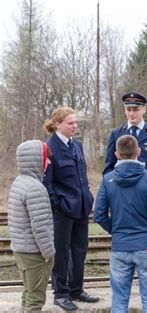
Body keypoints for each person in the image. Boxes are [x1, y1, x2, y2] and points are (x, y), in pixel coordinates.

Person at [94, 135, 147, 312]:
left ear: (117, 154)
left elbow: (100, 215)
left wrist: (116, 230)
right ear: (138, 152)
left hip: (120, 247)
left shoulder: (108, 180)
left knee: (119, 299)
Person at [43, 106, 99, 311]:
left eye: (76, 122)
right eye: (70, 123)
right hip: (63, 210)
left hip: (82, 207)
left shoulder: (78, 145)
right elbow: (47, 183)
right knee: (61, 252)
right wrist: (58, 204)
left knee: (79, 249)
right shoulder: (49, 148)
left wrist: (88, 197)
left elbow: (82, 176)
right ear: (58, 124)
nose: (75, 126)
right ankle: (61, 293)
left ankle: (76, 289)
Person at [7, 140, 55, 312]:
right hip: (34, 253)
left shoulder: (19, 182)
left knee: (28, 294)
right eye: (45, 158)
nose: (48, 162)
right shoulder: (35, 188)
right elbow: (40, 227)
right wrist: (48, 252)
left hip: (21, 249)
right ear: (36, 159)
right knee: (35, 299)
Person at [103, 92, 147, 183]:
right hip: (122, 189)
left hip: (146, 190)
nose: (132, 113)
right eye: (128, 110)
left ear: (144, 109)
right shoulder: (116, 134)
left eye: (136, 109)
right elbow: (109, 168)